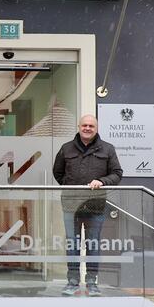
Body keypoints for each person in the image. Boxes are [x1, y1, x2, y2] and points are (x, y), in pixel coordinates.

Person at [53, 114, 122, 297]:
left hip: (95, 205)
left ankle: (92, 283)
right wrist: (71, 187)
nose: (87, 128)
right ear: (79, 126)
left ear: (96, 128)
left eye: (91, 125)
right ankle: (72, 282)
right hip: (71, 204)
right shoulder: (66, 149)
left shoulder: (107, 149)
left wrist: (102, 181)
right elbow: (58, 173)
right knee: (72, 244)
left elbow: (117, 174)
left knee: (93, 244)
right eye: (84, 125)